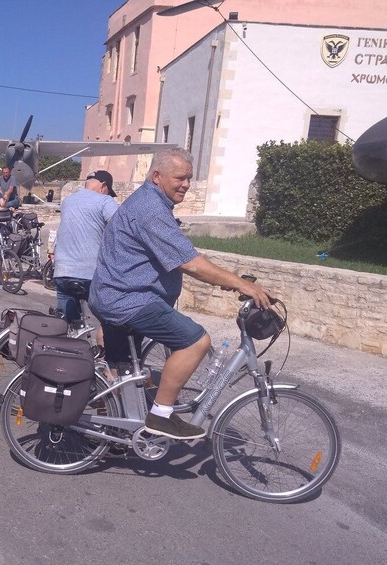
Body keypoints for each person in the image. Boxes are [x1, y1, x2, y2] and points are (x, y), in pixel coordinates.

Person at [89, 148, 272, 440]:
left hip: (116, 294)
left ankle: (113, 429)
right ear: (157, 176)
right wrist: (242, 284)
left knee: (123, 370)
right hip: (129, 299)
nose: (186, 184)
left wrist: (227, 280)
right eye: (180, 177)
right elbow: (191, 263)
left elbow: (179, 259)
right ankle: (161, 416)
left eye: (189, 177)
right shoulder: (150, 209)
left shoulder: (151, 203)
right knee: (195, 341)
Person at [53, 170, 118, 324]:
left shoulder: (67, 201)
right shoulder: (105, 201)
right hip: (90, 273)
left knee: (67, 325)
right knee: (110, 323)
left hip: (62, 272)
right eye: (109, 191)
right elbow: (119, 228)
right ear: (103, 186)